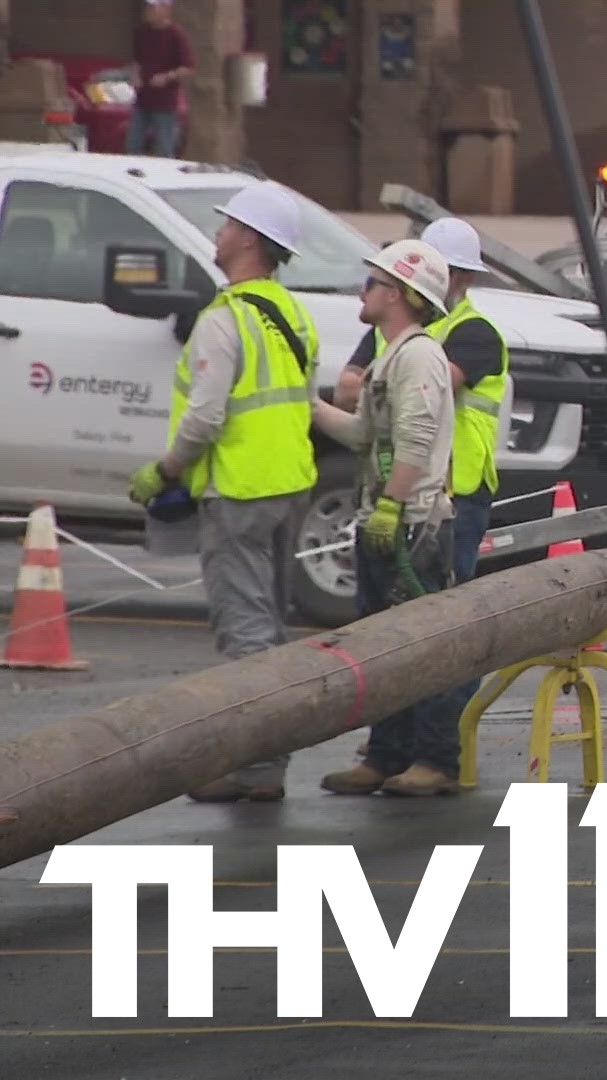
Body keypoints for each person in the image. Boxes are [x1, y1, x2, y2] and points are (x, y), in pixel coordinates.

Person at [128, 181, 316, 801]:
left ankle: (255, 768)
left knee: (247, 633)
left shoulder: (224, 319)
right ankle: (267, 765)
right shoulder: (292, 312)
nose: (219, 232)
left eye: (229, 224)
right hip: (289, 487)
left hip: (238, 491)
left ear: (252, 241)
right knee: (271, 627)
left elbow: (205, 418)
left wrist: (167, 470)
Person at [310, 239, 464, 797]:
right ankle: (385, 754)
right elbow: (362, 435)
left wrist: (396, 506)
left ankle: (435, 759)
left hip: (414, 526)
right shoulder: (391, 354)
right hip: (388, 518)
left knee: (423, 644)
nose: (364, 289)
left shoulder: (418, 355)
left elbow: (419, 439)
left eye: (373, 282)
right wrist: (309, 403)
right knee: (382, 646)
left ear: (397, 293)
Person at [336, 217, 507, 583]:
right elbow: (344, 391)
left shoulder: (475, 332)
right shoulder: (389, 332)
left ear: (465, 277)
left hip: (454, 492)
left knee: (442, 598)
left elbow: (430, 388)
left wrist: (379, 379)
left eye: (446, 269)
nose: (435, 276)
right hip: (392, 483)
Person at [128, 0, 193, 158]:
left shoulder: (176, 34)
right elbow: (137, 59)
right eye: (148, 7)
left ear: (166, 9)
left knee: (165, 145)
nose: (149, 11)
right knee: (133, 143)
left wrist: (166, 77)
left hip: (165, 101)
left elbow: (188, 67)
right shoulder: (141, 32)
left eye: (153, 7)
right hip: (143, 98)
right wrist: (135, 76)